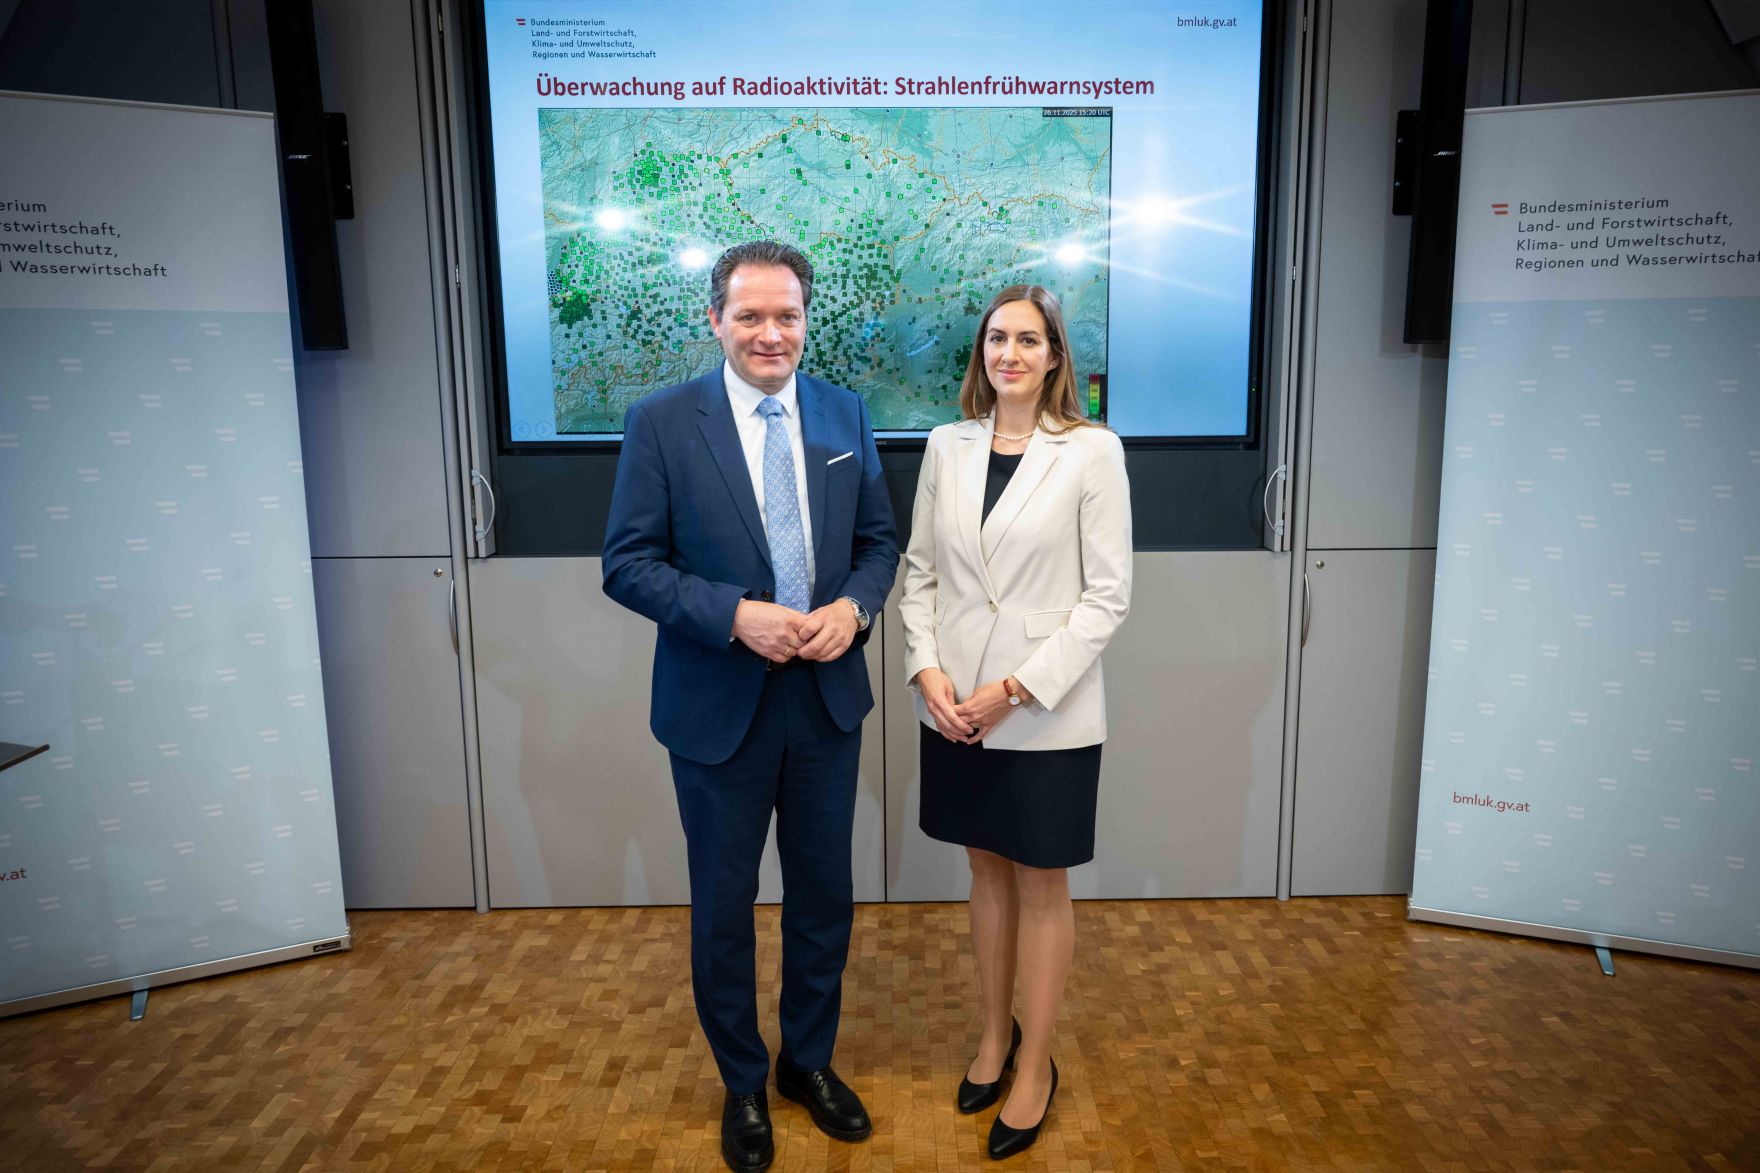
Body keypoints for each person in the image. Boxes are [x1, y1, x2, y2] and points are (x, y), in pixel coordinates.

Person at [602, 240, 898, 1173]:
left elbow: (880, 544)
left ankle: (807, 1064)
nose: (772, 333)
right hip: (716, 707)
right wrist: (733, 614)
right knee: (724, 906)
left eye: (788, 316)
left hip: (823, 701)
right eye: (751, 316)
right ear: (715, 320)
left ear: (807, 320)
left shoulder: (845, 411)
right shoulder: (660, 422)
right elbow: (629, 565)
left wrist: (854, 607)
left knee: (824, 899)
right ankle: (742, 1080)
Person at [898, 284, 1131, 1160]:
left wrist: (1016, 689)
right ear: (981, 353)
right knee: (985, 873)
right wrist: (928, 671)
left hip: (1044, 709)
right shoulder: (944, 445)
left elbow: (1108, 597)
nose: (1011, 354)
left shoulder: (1092, 451)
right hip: (953, 703)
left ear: (1055, 356)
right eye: (998, 338)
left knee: (1041, 883)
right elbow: (919, 573)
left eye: (1029, 340)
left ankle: (1036, 1063)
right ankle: (991, 1039)